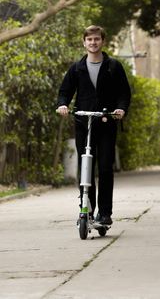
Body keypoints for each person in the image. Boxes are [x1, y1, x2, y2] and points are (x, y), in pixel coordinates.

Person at [57, 25, 131, 225]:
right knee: (85, 167)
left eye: (96, 39)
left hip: (107, 123)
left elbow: (123, 93)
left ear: (103, 42)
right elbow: (64, 91)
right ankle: (86, 209)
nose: (93, 42)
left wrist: (121, 108)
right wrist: (63, 105)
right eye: (89, 39)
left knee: (105, 168)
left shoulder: (113, 66)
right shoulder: (76, 68)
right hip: (83, 123)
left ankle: (105, 213)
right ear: (84, 42)